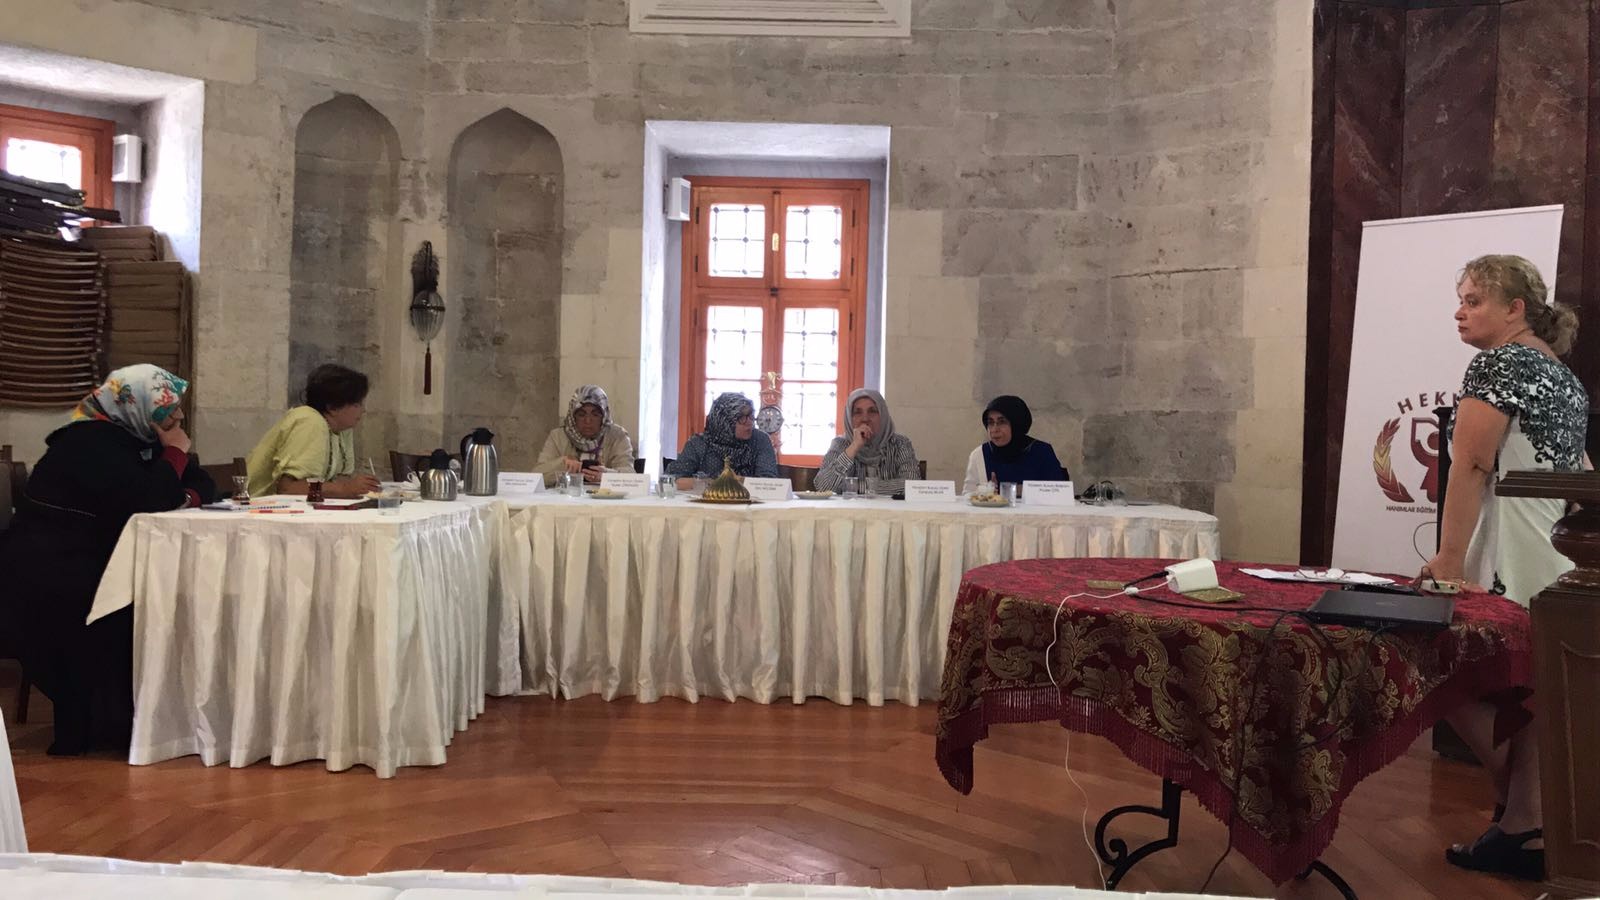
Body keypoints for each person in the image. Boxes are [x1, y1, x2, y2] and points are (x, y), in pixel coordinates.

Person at [1419, 254, 1587, 881]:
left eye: (1474, 301)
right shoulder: (1561, 374)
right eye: (1460, 299)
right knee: (1534, 692)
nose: (1459, 312)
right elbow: (1580, 473)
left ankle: (1521, 815)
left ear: (1515, 309)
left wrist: (1448, 558)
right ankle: (1525, 822)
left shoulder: (1500, 362)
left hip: (1508, 549)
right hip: (1558, 550)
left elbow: (1470, 465)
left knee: (1433, 662)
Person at [0, 365, 216, 755]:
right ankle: (108, 722)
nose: (179, 416)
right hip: (49, 566)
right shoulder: (88, 442)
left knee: (167, 598)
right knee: (136, 603)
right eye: (168, 408)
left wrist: (181, 490)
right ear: (137, 406)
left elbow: (202, 484)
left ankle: (149, 714)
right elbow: (149, 499)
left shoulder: (138, 439)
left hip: (98, 554)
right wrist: (173, 456)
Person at [245, 363, 381, 498]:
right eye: (357, 404)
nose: (363, 410)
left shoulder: (342, 428)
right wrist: (345, 488)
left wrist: (356, 486)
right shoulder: (309, 421)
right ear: (332, 407)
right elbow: (288, 488)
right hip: (257, 504)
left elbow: (339, 479)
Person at [814, 388, 920, 496]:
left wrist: (852, 487)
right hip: (851, 507)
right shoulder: (840, 444)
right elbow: (823, 487)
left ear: (883, 416)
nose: (865, 419)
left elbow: (912, 485)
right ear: (849, 418)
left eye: (872, 411)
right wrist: (854, 447)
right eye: (857, 412)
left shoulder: (900, 444)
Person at [667, 392, 779, 489]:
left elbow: (768, 482)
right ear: (724, 421)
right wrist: (715, 483)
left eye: (751, 416)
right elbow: (673, 480)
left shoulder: (760, 440)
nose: (749, 422)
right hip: (707, 503)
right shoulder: (698, 444)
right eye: (742, 418)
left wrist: (736, 481)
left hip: (751, 503)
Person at [961, 395, 1068, 494]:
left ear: (1017, 424)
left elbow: (1060, 493)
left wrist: (1011, 490)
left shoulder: (1041, 452)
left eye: (1002, 422)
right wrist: (985, 492)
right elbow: (967, 496)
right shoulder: (980, 454)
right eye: (990, 422)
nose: (994, 429)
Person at [534, 385, 636, 485]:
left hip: (606, 495)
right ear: (573, 417)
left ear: (604, 416)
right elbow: (536, 475)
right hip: (568, 495)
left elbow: (630, 475)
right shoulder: (558, 436)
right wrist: (563, 463)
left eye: (595, 414)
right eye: (581, 415)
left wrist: (607, 475)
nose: (588, 421)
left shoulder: (617, 435)